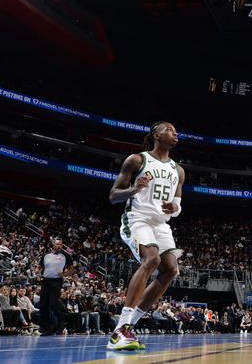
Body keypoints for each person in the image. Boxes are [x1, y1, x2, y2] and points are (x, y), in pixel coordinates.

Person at [107, 121, 185, 351]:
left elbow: (178, 205)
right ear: (156, 135)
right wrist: (134, 190)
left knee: (171, 269)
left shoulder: (178, 170)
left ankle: (126, 329)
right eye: (170, 129)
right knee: (152, 260)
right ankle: (120, 331)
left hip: (161, 224)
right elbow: (113, 196)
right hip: (138, 218)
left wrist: (175, 208)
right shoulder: (137, 160)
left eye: (175, 130)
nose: (175, 133)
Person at [37, 237, 73, 335]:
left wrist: (64, 275)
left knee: (53, 304)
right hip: (45, 281)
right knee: (43, 305)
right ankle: (46, 328)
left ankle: (62, 324)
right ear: (53, 245)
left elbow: (71, 269)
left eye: (60, 244)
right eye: (57, 244)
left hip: (56, 281)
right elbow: (39, 267)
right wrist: (37, 273)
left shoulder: (66, 256)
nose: (59, 246)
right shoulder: (46, 255)